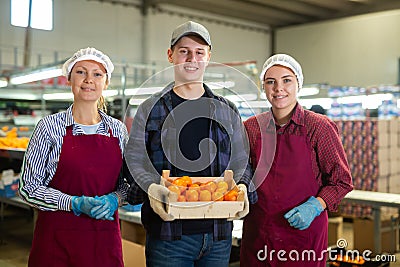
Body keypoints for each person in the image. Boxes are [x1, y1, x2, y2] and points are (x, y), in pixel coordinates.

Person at [124, 21, 255, 267]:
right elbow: (134, 161)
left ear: (208, 58)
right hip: (169, 236)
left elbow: (242, 160)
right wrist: (152, 187)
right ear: (171, 55)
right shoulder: (151, 109)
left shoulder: (227, 110)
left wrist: (244, 186)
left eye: (199, 52)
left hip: (218, 235)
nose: (191, 58)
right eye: (184, 51)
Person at [19, 47, 129, 267]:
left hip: (103, 242)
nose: (89, 80)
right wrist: (74, 203)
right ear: (69, 79)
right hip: (56, 244)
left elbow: (128, 184)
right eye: (81, 72)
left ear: (106, 83)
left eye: (97, 74)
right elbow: (28, 188)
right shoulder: (48, 127)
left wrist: (115, 199)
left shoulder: (118, 130)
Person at [240, 54, 353, 266]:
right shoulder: (251, 127)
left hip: (303, 238)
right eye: (270, 82)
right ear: (263, 87)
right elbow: (243, 172)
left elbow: (341, 181)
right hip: (259, 234)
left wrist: (316, 205)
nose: (278, 88)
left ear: (298, 84)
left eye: (286, 80)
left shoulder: (319, 127)